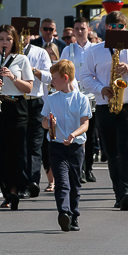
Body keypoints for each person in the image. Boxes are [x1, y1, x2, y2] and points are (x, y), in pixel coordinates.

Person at [78, 11, 128, 211]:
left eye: (121, 27)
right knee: (112, 154)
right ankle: (119, 193)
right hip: (105, 105)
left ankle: (127, 192)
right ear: (107, 28)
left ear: (126, 28)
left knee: (127, 151)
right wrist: (101, 89)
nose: (117, 30)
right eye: (113, 27)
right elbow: (84, 76)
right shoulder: (95, 50)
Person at [0, 24, 35, 209]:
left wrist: (12, 78)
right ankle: (7, 191)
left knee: (16, 150)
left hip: (16, 106)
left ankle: (15, 190)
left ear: (14, 41)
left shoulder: (22, 60)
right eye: (1, 39)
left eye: (8, 39)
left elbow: (29, 88)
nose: (4, 43)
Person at [41, 59, 90, 232]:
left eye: (54, 78)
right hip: (56, 146)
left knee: (75, 183)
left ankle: (74, 216)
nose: (52, 81)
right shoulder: (52, 99)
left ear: (66, 78)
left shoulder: (81, 99)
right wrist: (49, 122)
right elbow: (44, 124)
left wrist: (74, 134)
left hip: (76, 146)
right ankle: (64, 213)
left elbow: (85, 124)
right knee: (62, 182)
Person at [60, 17, 99, 183]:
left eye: (83, 28)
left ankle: (88, 168)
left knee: (90, 133)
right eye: (77, 29)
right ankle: (79, 169)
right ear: (73, 31)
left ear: (88, 29)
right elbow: (61, 70)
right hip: (74, 96)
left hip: (92, 95)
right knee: (75, 134)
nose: (80, 32)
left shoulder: (96, 48)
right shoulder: (68, 50)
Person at [23, 33, 53, 197]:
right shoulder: (10, 52)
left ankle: (33, 181)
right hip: (16, 101)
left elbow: (50, 77)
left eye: (25, 34)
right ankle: (22, 181)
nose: (22, 38)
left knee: (35, 144)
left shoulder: (40, 53)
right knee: (20, 144)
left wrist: (34, 71)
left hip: (35, 101)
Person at [41, 42, 62, 192]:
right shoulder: (41, 72)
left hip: (60, 111)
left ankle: (60, 180)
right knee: (45, 148)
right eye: (47, 54)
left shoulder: (60, 72)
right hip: (44, 110)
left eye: (52, 54)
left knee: (58, 146)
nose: (50, 57)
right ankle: (51, 181)